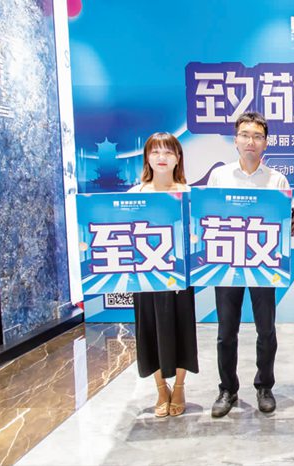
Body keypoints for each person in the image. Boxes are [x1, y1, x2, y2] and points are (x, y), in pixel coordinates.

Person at [207, 111, 294, 417]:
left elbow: (289, 221)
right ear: (235, 140)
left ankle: (264, 386)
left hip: (264, 263)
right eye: (245, 135)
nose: (251, 141)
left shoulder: (277, 179)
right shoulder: (219, 176)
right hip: (227, 263)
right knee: (225, 332)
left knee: (266, 330)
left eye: (258, 136)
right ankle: (227, 389)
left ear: (266, 143)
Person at [128, 132, 198, 417]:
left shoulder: (188, 193)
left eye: (168, 152)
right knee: (149, 329)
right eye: (155, 152)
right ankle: (160, 388)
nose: (161, 158)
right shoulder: (135, 195)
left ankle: (179, 387)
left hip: (180, 276)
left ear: (178, 158)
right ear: (147, 157)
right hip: (146, 276)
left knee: (182, 328)